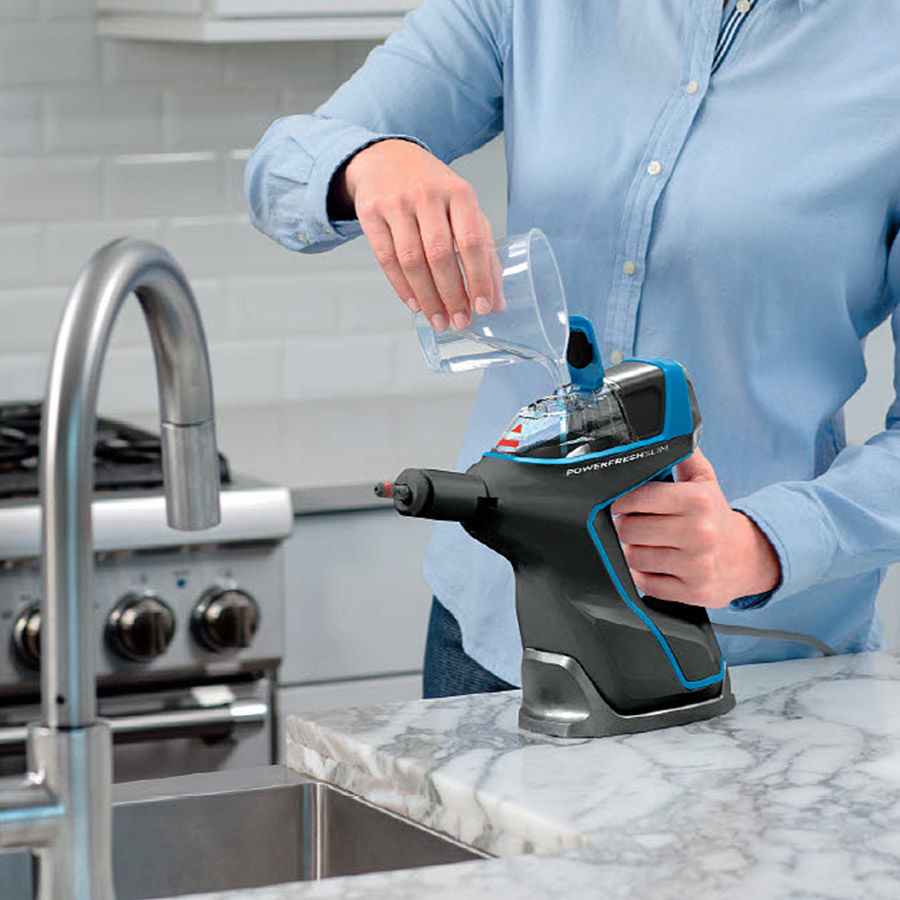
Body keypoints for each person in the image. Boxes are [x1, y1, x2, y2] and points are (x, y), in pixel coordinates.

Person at [245, 0, 900, 698]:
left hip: (758, 655)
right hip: (505, 628)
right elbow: (279, 169)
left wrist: (766, 542)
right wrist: (368, 162)